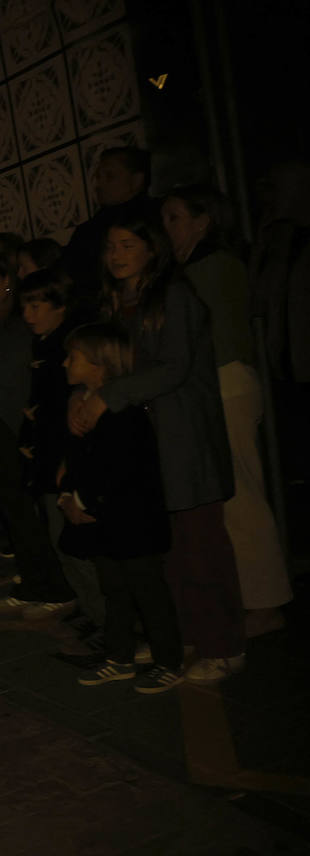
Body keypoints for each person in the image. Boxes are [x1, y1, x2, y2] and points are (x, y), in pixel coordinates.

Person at [71, 216, 242, 682]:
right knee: (161, 550)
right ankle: (181, 637)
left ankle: (223, 644)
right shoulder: (116, 302)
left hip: (183, 438)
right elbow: (104, 364)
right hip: (142, 445)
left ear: (153, 250)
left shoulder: (175, 296)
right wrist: (83, 393)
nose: (117, 254)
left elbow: (175, 367)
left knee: (199, 544)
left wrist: (109, 396)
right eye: (111, 247)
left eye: (128, 243)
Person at [163, 185, 293, 637]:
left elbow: (202, 341)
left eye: (175, 217)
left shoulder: (212, 269)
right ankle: (250, 597)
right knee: (228, 499)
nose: (167, 228)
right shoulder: (196, 269)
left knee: (241, 498)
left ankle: (266, 602)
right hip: (217, 385)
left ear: (203, 221)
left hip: (225, 385)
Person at [59, 324, 185, 692]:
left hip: (135, 522)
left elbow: (119, 469)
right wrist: (69, 495)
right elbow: (81, 459)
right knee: (114, 590)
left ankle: (168, 659)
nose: (66, 363)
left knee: (148, 592)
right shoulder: (87, 405)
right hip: (107, 522)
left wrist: (83, 501)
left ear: (99, 365)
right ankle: (120, 656)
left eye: (74, 357)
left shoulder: (123, 413)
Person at [0, 252, 76, 616]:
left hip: (11, 429)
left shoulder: (14, 327)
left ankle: (50, 587)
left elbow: (0, 382)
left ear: (6, 281)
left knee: (24, 512)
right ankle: (33, 582)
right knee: (13, 513)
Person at [17, 269, 106, 632]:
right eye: (26, 307)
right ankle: (94, 612)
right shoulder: (42, 344)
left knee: (78, 546)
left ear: (59, 307)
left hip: (66, 459)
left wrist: (65, 463)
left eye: (36, 306)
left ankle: (110, 623)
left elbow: (68, 410)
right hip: (47, 457)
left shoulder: (69, 346)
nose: (29, 315)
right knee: (62, 542)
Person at [63, 147, 159, 309]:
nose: (99, 184)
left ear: (136, 180)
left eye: (110, 176)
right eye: (98, 177)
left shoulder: (155, 216)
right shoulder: (88, 230)